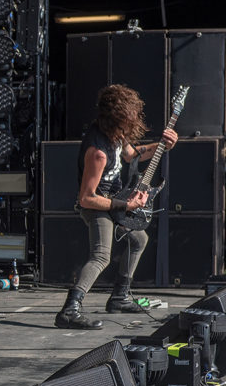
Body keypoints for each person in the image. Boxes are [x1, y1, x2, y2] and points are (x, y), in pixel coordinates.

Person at [54, 84, 178, 329]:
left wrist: (162, 146)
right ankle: (70, 309)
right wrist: (126, 204)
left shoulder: (117, 134)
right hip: (98, 206)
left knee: (139, 240)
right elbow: (86, 198)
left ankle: (120, 297)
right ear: (120, 117)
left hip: (117, 202)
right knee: (101, 255)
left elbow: (133, 155)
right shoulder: (98, 151)